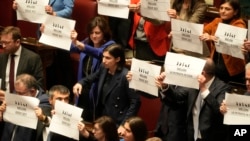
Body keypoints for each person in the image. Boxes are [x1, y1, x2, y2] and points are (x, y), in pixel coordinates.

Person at [155, 58, 230, 141]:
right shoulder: (193, 84)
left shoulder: (223, 88)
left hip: (211, 137)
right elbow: (177, 97)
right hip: (191, 135)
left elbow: (218, 110)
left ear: (202, 73)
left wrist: (203, 88)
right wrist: (165, 86)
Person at [73, 44, 141, 134]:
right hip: (102, 116)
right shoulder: (104, 68)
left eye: (108, 58)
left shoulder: (125, 76)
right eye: (103, 57)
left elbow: (135, 102)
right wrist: (80, 83)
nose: (104, 61)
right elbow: (92, 77)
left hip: (117, 120)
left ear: (117, 59)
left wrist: (124, 124)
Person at [70, 16, 115, 122]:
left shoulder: (110, 45)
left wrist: (79, 45)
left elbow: (99, 53)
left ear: (104, 32)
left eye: (97, 33)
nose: (93, 36)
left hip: (98, 91)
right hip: (83, 87)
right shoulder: (87, 42)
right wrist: (72, 40)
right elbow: (70, 48)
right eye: (91, 33)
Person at [200, 0, 246, 83]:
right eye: (221, 8)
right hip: (216, 65)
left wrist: (213, 38)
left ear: (235, 12)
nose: (223, 11)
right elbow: (202, 31)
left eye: (227, 9)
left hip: (232, 70)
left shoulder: (239, 24)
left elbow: (231, 42)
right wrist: (205, 34)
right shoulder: (217, 21)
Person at [0, 73, 50, 141]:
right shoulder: (18, 92)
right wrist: (3, 112)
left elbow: (45, 124)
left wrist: (42, 117)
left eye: (20, 93)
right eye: (16, 92)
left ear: (32, 91)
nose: (17, 96)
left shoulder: (44, 102)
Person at [0, 26, 44, 92]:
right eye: (2, 42)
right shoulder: (1, 57)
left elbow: (38, 84)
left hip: (22, 99)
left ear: (17, 42)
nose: (3, 46)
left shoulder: (32, 58)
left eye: (6, 43)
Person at [220, 62, 250, 141]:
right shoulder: (246, 96)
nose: (247, 84)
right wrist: (228, 114)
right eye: (246, 80)